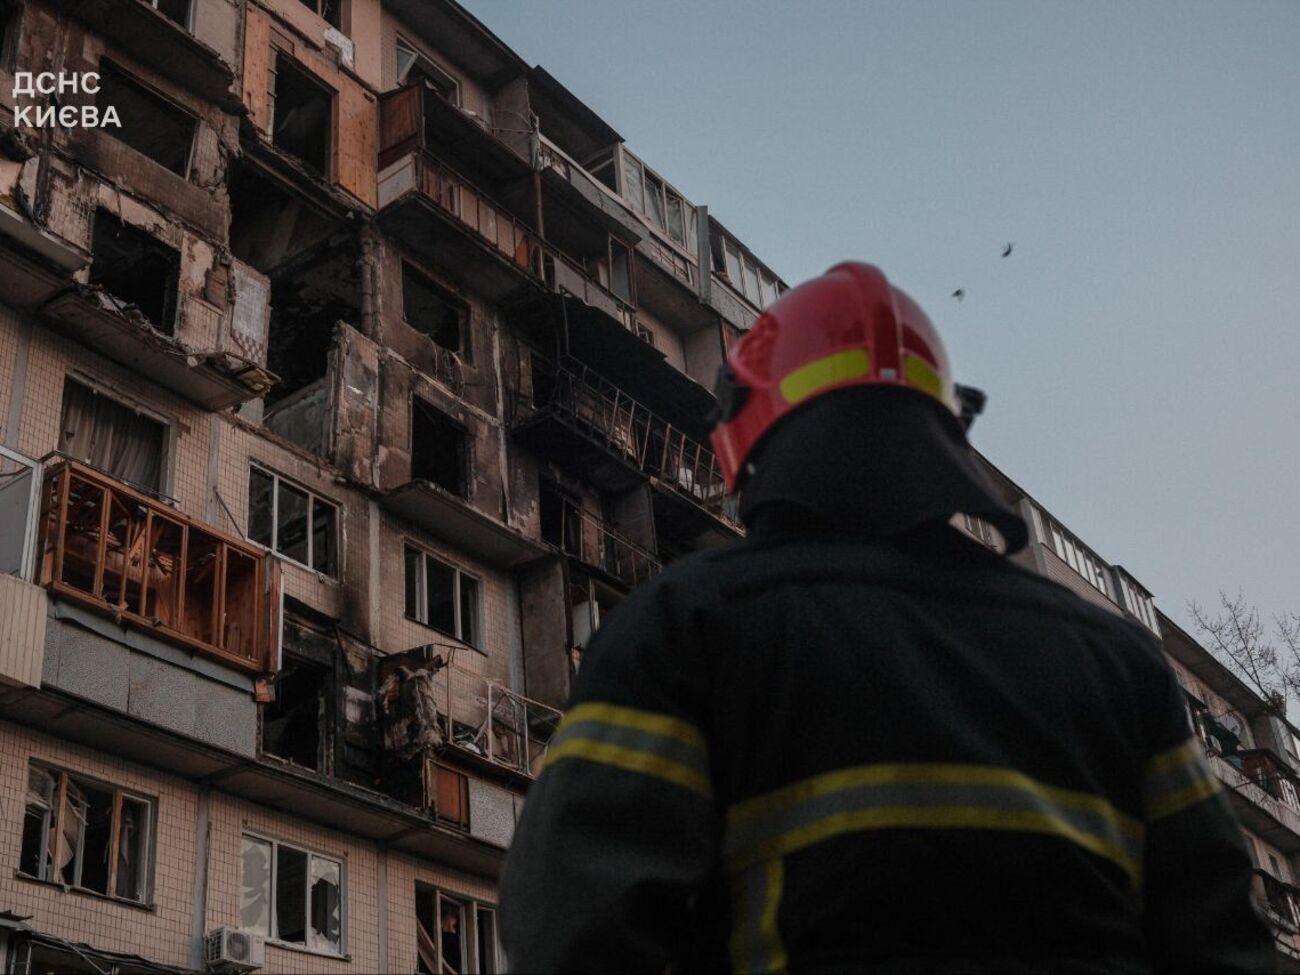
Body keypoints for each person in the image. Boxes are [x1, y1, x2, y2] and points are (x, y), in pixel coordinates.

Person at [499, 262, 1272, 973]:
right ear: (942, 424)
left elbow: (568, 932)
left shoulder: (690, 624)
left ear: (752, 433)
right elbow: (1225, 945)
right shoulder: (1120, 661)